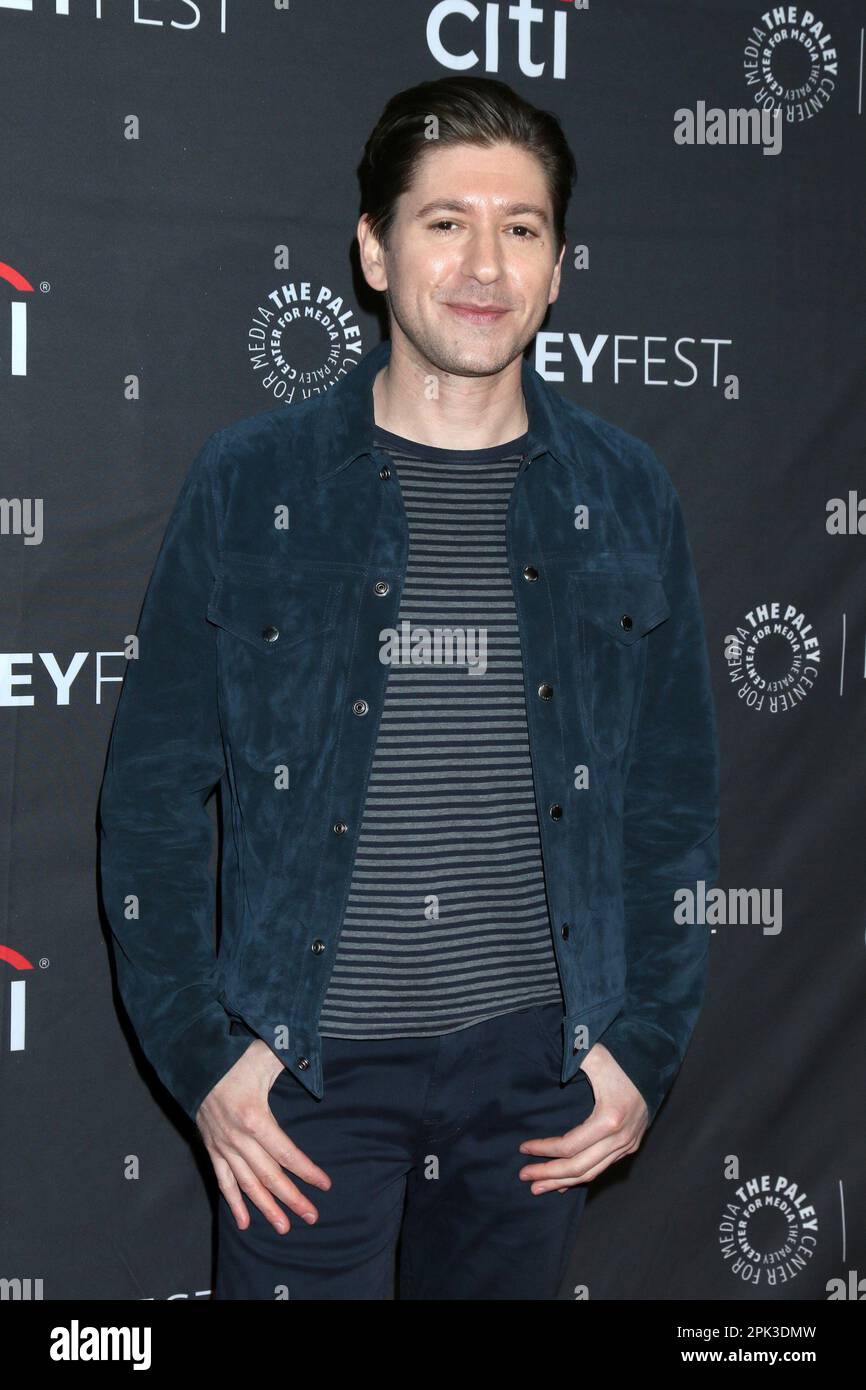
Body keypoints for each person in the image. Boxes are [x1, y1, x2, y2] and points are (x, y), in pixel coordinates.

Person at [98, 74, 720, 1300]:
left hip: (535, 1081)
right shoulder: (249, 483)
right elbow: (154, 800)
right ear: (375, 253)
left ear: (555, 269)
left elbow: (671, 802)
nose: (483, 262)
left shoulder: (626, 492)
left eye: (521, 228)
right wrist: (206, 1058)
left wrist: (641, 1049)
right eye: (444, 222)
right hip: (303, 1077)